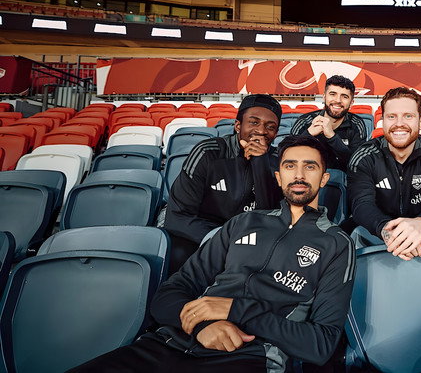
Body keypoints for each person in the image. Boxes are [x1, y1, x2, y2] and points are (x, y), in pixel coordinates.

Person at [70, 135, 355, 373]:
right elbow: (168, 295)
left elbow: (320, 345)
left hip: (248, 356)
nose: (299, 175)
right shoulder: (243, 223)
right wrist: (203, 326)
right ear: (279, 177)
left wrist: (235, 310)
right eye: (290, 166)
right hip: (169, 344)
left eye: (310, 167)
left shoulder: (336, 244)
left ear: (324, 178)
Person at [164, 94, 283, 273]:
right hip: (202, 236)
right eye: (254, 122)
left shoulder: (279, 161)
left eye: (270, 127)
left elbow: (268, 214)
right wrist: (223, 241)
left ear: (276, 133)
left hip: (252, 241)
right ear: (238, 125)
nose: (261, 131)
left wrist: (260, 163)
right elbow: (178, 216)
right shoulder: (208, 153)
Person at [348, 86, 421, 260]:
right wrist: (388, 231)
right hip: (376, 233)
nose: (399, 124)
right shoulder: (364, 156)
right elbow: (361, 204)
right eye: (391, 117)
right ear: (383, 121)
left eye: (408, 116)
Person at [290, 75, 367, 171]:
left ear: (351, 103)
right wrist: (308, 134)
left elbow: (357, 164)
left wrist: (332, 136)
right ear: (324, 97)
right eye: (333, 94)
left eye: (344, 96)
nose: (338, 100)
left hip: (343, 178)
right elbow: (287, 157)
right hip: (308, 175)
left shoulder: (357, 124)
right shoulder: (305, 121)